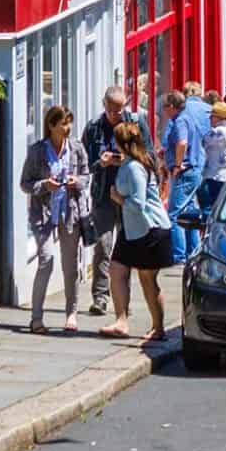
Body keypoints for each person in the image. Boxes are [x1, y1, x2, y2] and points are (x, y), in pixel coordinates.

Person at [21, 104, 90, 332]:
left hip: (69, 212)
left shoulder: (77, 148)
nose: (68, 127)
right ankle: (36, 318)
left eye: (69, 122)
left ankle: (72, 314)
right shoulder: (37, 151)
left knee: (70, 266)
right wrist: (44, 185)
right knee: (46, 261)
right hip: (44, 214)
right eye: (63, 123)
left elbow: (86, 176)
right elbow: (25, 183)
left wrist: (76, 182)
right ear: (51, 125)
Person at [102, 121, 172, 343]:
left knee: (147, 280)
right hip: (133, 229)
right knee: (117, 270)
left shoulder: (134, 167)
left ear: (123, 143)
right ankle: (121, 321)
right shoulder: (133, 162)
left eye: (116, 140)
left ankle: (159, 328)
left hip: (149, 229)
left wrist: (118, 198)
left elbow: (139, 203)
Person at [80, 87, 140, 316]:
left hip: (128, 196)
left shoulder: (134, 124)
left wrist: (125, 160)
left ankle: (123, 301)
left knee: (126, 250)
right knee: (103, 247)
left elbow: (148, 156)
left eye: (120, 108)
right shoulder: (94, 128)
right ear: (104, 104)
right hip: (103, 194)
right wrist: (100, 163)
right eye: (112, 108)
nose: (117, 113)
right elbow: (84, 163)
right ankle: (100, 298)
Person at [157, 89, 209, 262]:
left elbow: (182, 142)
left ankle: (178, 255)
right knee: (188, 214)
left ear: (172, 106)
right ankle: (193, 252)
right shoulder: (185, 118)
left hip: (185, 171)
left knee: (174, 215)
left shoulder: (180, 120)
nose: (163, 110)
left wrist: (177, 165)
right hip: (192, 170)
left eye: (165, 107)